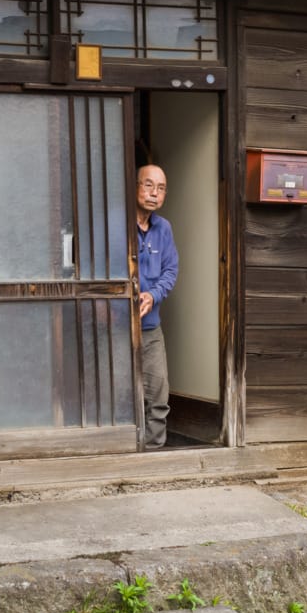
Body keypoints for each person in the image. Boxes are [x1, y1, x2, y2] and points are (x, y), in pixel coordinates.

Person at [135, 164, 178, 449]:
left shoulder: (163, 228)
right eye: (148, 185)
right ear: (135, 186)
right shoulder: (114, 224)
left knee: (158, 394)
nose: (154, 193)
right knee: (119, 396)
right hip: (112, 326)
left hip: (150, 328)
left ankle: (152, 454)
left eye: (161, 188)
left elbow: (170, 271)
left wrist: (153, 295)